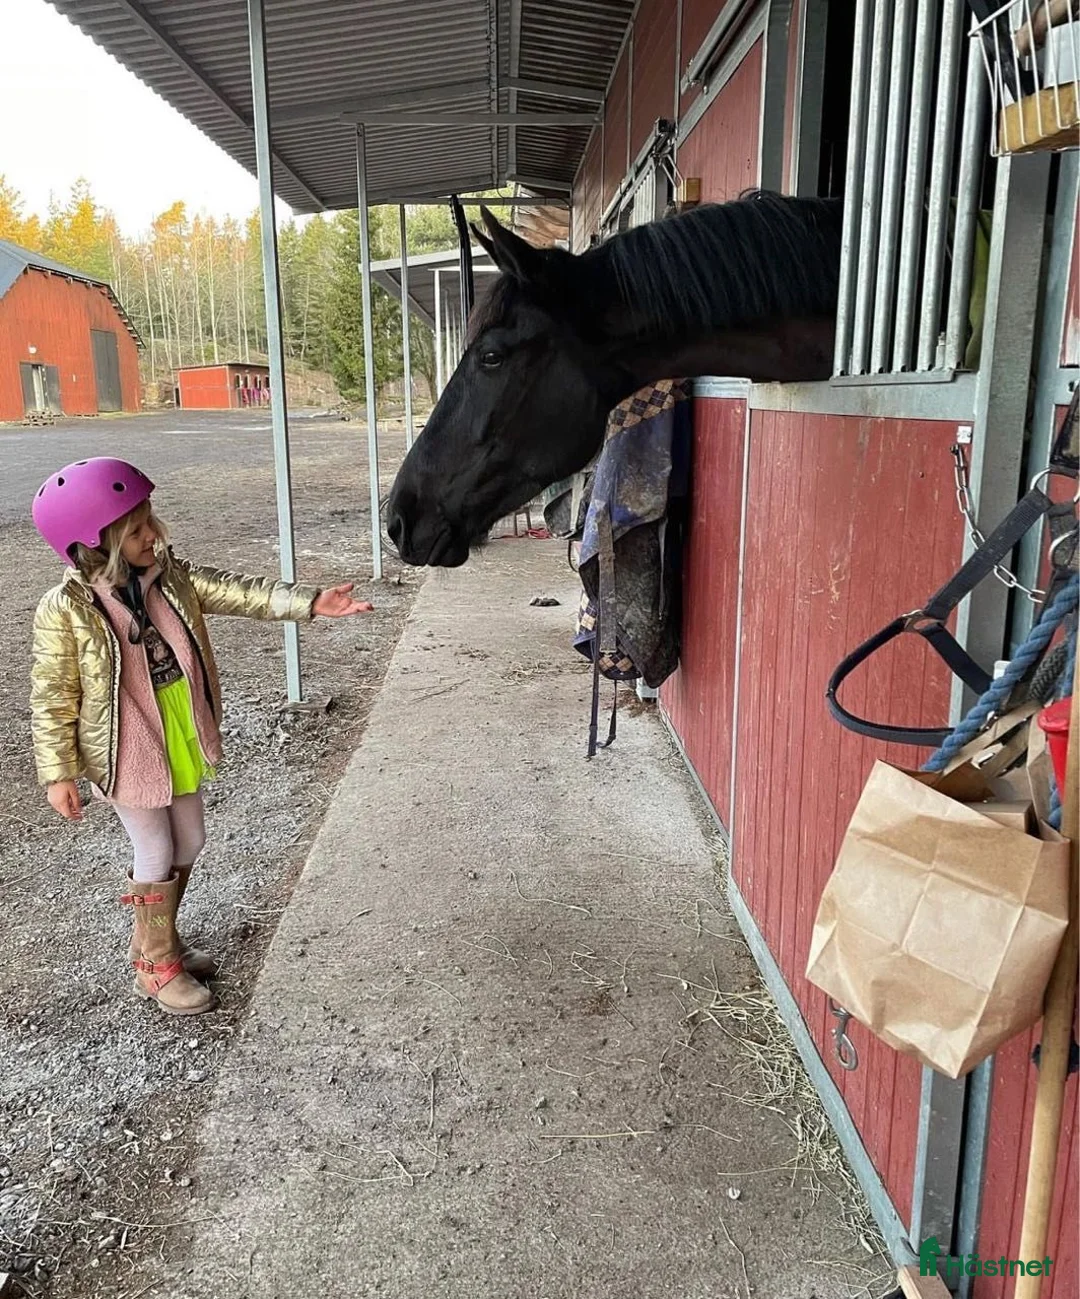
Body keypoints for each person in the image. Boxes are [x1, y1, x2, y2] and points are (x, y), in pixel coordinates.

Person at [29, 457, 372, 1017]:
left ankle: (153, 942)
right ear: (96, 543)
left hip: (178, 727)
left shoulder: (167, 575)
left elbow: (238, 591)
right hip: (124, 741)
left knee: (190, 841)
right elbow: (51, 694)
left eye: (149, 520)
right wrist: (58, 771)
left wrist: (311, 602)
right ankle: (157, 967)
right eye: (136, 529)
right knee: (156, 847)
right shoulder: (64, 610)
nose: (153, 535)